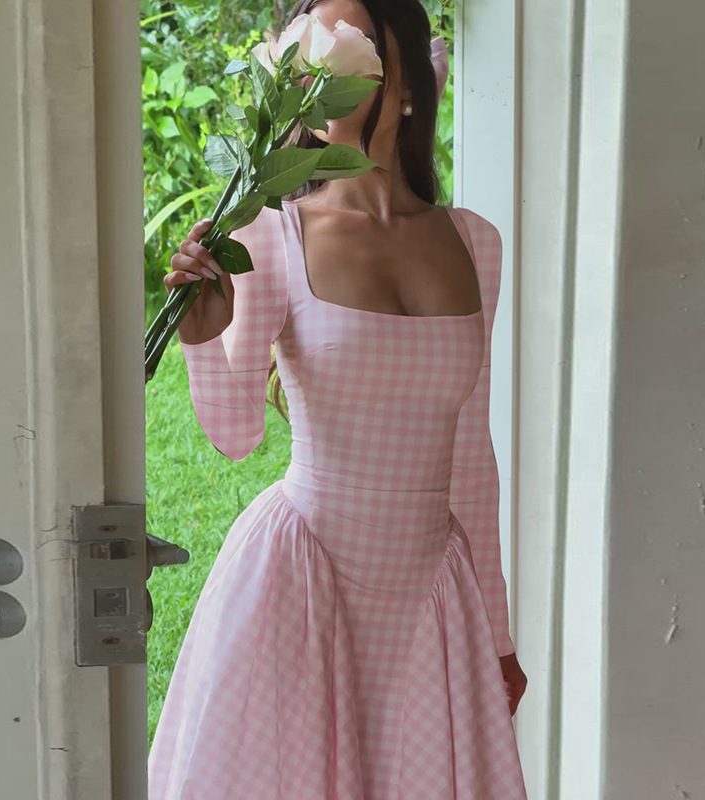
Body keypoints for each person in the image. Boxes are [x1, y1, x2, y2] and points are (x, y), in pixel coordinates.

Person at [147, 0, 529, 797]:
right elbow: (237, 436)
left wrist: (496, 635)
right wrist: (201, 337)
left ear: (411, 82)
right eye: (308, 56)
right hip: (303, 582)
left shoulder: (474, 243)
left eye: (348, 48)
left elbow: (472, 455)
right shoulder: (271, 235)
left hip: (430, 596)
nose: (320, 76)